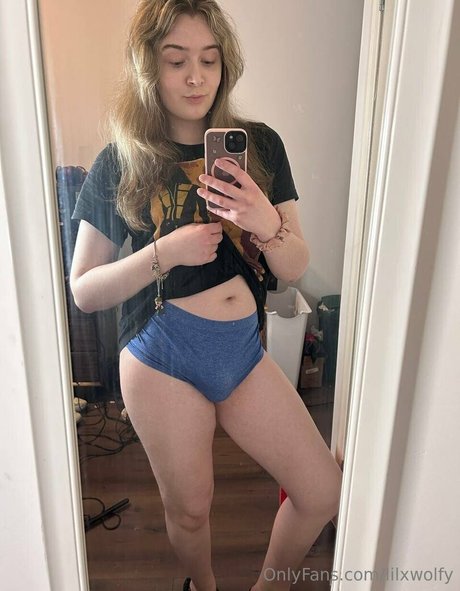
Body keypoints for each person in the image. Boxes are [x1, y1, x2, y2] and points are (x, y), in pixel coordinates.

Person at [70, 1, 342, 590]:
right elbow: (84, 290)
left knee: (322, 491)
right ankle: (203, 585)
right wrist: (164, 253)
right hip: (160, 355)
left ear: (226, 65)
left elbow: (294, 268)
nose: (196, 77)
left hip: (242, 350)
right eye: (176, 61)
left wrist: (264, 221)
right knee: (190, 509)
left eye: (209, 60)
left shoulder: (260, 146)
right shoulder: (122, 159)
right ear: (149, 67)